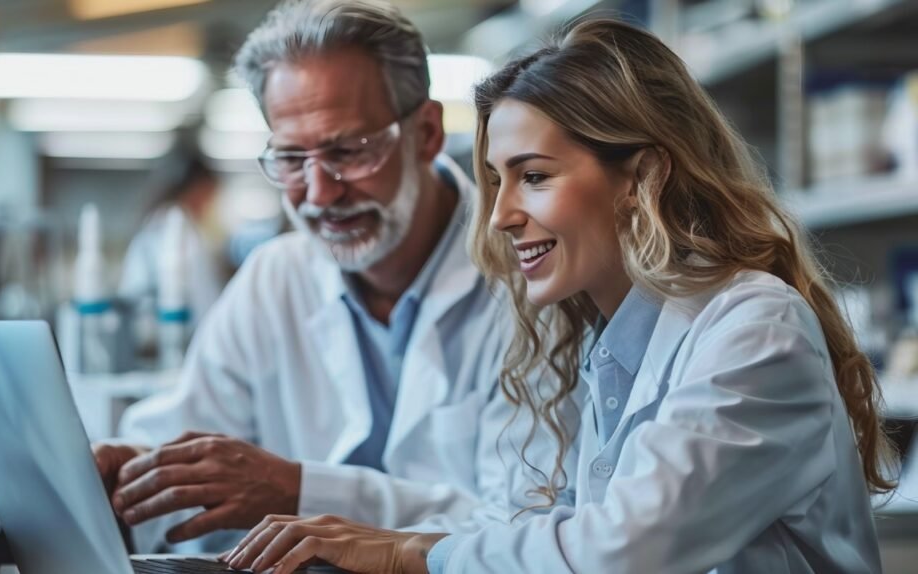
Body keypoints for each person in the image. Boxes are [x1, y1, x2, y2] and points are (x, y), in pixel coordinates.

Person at [219, 18, 896, 574]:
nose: (499, 217)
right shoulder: (585, 344)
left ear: (643, 177)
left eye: (534, 176)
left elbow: (631, 545)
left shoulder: (754, 327)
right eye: (495, 182)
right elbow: (514, 525)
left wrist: (409, 553)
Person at [94, 0, 522, 553]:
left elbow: (520, 524)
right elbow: (190, 427)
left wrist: (300, 490)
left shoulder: (525, 280)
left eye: (348, 151)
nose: (320, 194)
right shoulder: (277, 277)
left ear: (427, 132)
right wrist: (131, 473)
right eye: (292, 159)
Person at [118, 153, 226, 327]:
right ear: (197, 188)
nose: (207, 206)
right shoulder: (178, 226)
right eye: (208, 196)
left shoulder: (156, 221)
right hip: (170, 333)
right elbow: (203, 295)